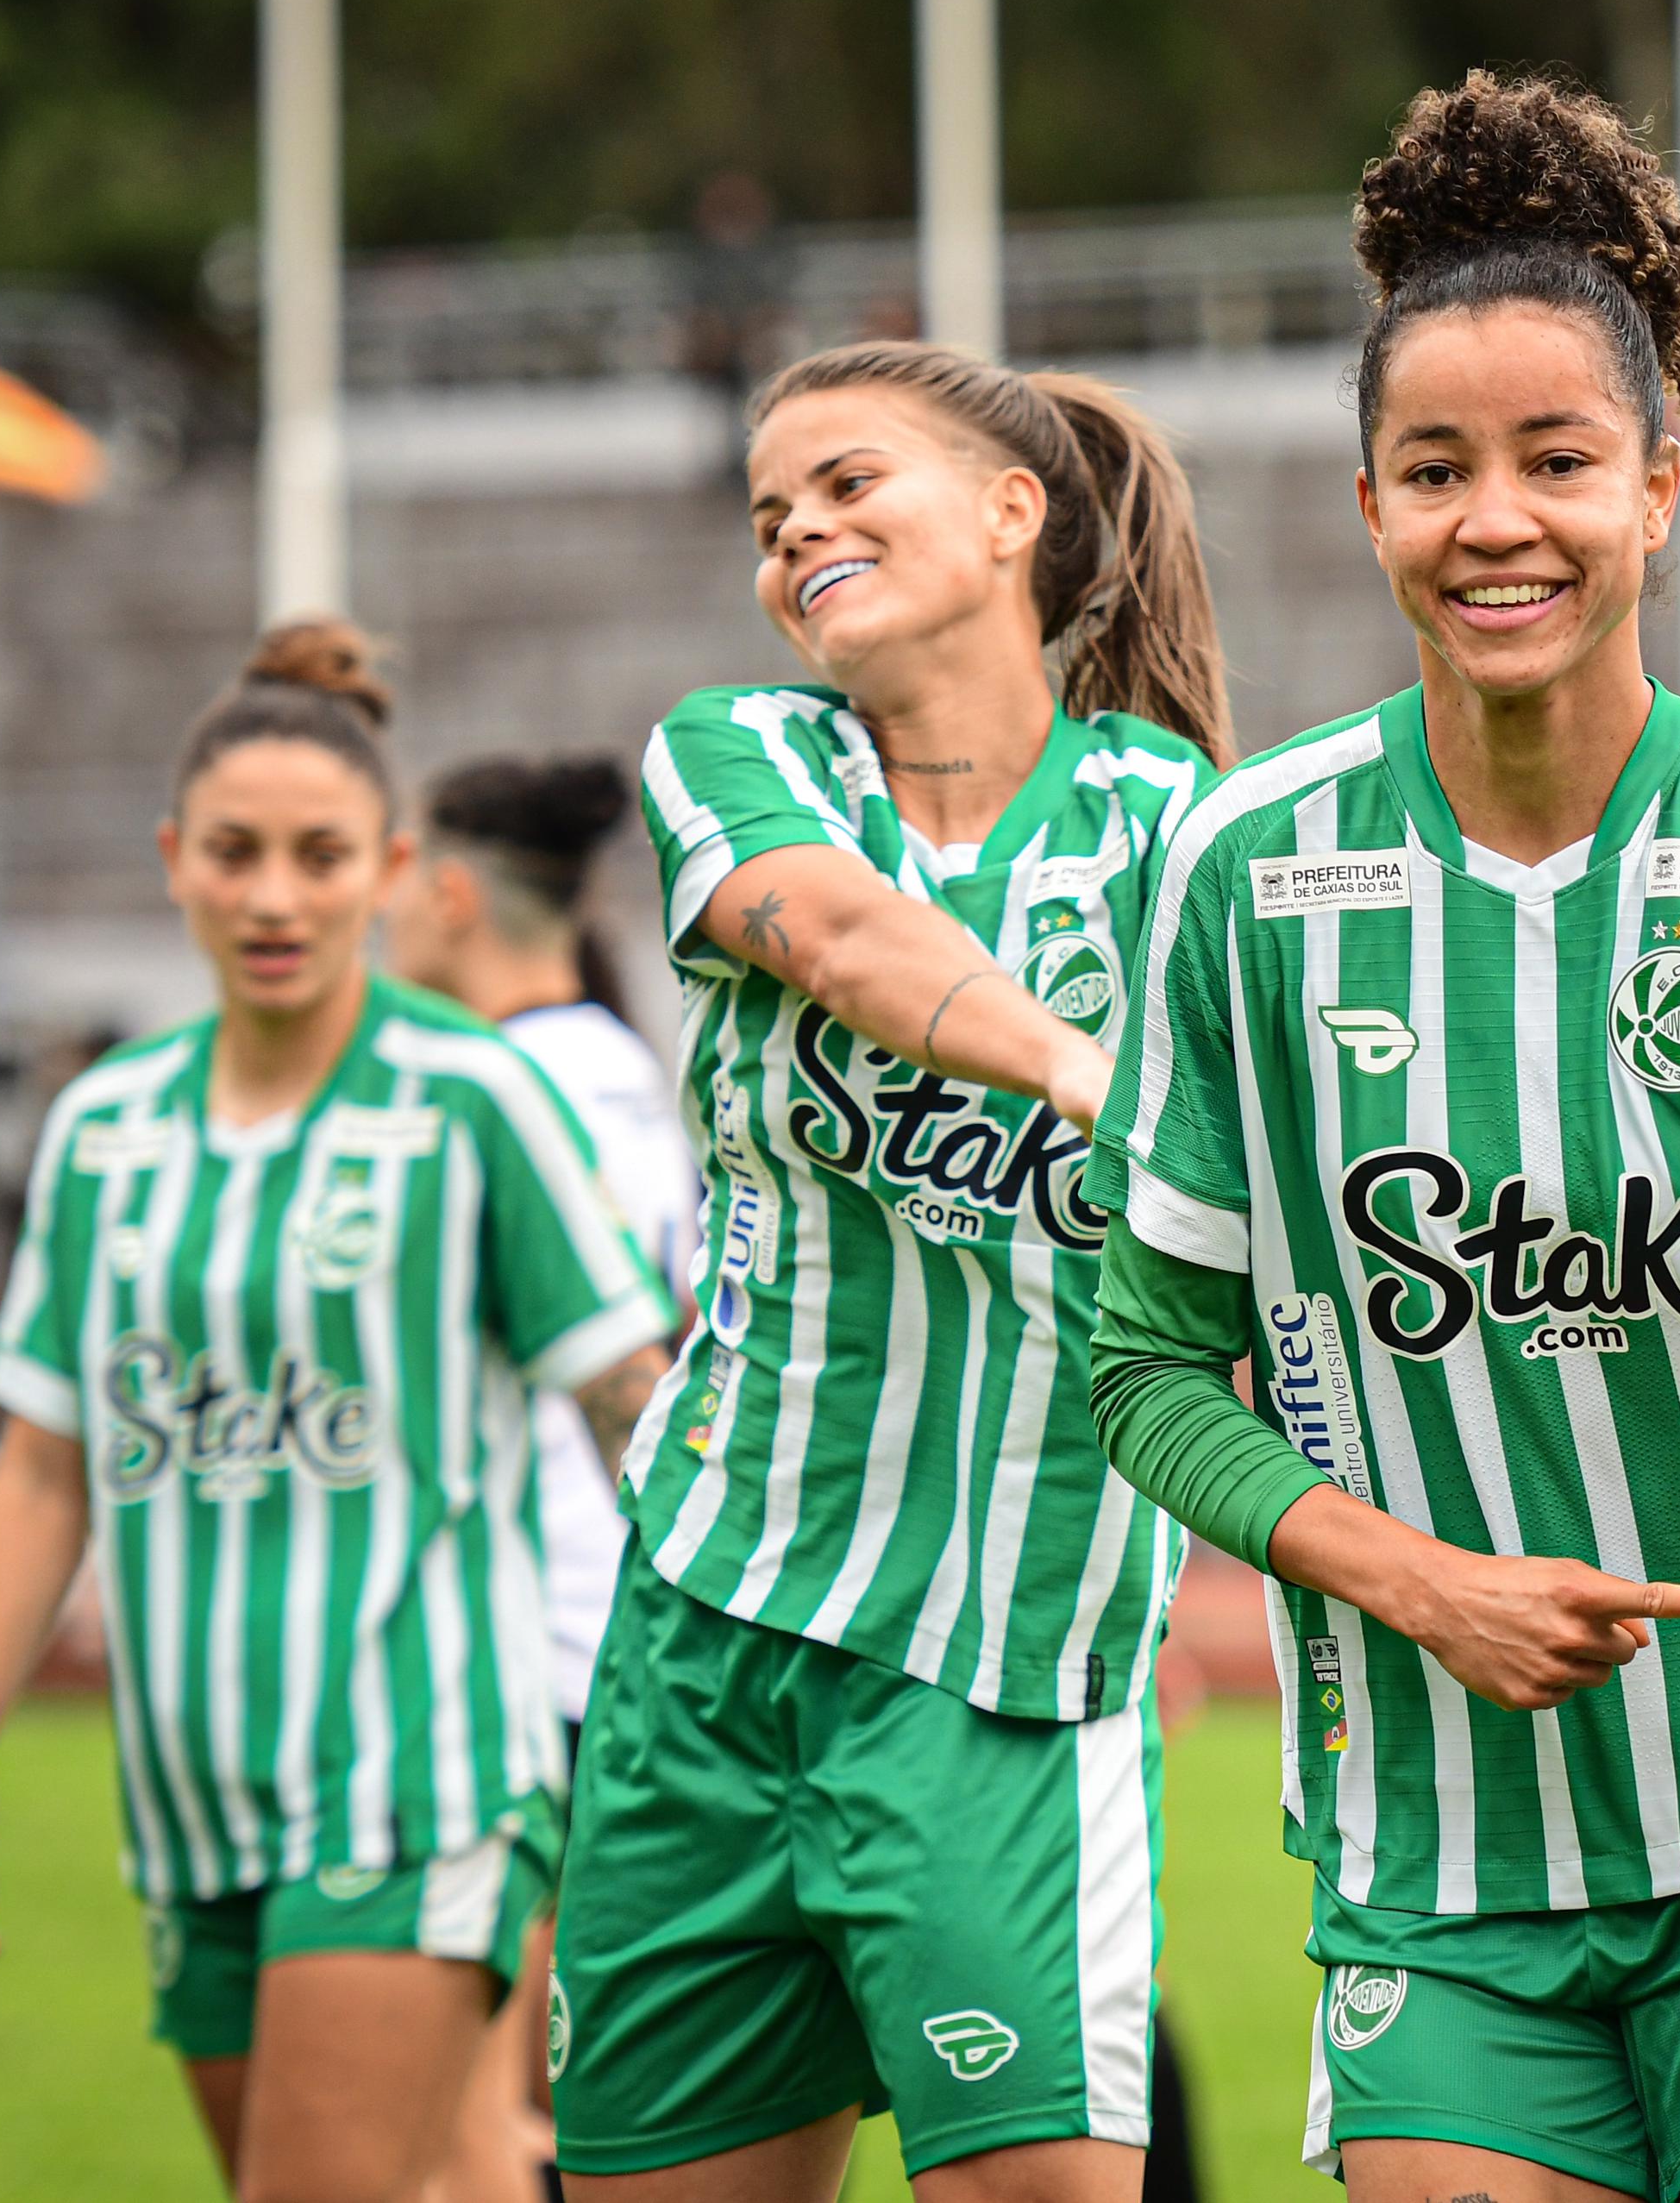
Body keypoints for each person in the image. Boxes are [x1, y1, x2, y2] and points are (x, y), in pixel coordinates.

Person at [1085, 68, 1680, 2203]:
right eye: (1436, 468)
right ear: (1370, 506)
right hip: (1439, 1867)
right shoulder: (1241, 873)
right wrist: (1420, 1582)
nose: (1499, 520)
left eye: (1559, 459)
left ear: (1661, 487)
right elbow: (1143, 1364)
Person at [545, 339, 1232, 2203]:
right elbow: (840, 937)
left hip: (1003, 1666)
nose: (798, 536)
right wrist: (1089, 1073)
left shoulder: (1190, 834)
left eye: (847, 483)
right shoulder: (742, 752)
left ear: (1015, 513)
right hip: (708, 1630)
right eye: (771, 518)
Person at [0, 621, 681, 2203]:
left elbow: (632, 1399)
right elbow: (50, 1464)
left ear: (391, 868)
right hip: (187, 1786)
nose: (273, 895)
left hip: (420, 1764)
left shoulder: (476, 1093)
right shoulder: (105, 1127)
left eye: (320, 856)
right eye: (236, 853)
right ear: (174, 860)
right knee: (448, 2175)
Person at [383, 751, 703, 2203]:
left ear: (450, 888)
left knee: (476, 2131)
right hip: (626, 1622)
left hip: (508, 1649)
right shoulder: (634, 1068)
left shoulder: (478, 1090)